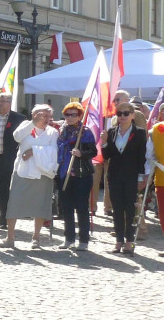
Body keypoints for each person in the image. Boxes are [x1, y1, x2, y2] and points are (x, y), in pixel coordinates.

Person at [0, 104, 60, 250]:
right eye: (42, 115)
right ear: (34, 114)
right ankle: (10, 238)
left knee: (40, 206)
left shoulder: (53, 132)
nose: (45, 118)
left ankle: (36, 237)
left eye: (48, 116)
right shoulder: (26, 126)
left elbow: (53, 151)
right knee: (14, 204)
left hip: (42, 173)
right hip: (23, 171)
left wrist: (34, 151)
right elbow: (16, 137)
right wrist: (32, 123)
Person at [102, 99, 148, 254]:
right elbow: (107, 155)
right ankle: (118, 241)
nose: (122, 116)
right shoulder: (112, 132)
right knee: (117, 209)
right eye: (119, 113)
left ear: (132, 115)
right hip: (114, 175)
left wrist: (142, 177)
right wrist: (103, 143)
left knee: (130, 209)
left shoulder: (140, 133)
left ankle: (129, 241)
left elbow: (143, 157)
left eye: (125, 113)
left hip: (132, 176)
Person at [54, 102, 97, 251]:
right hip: (64, 174)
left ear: (79, 116)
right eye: (67, 114)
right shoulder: (61, 131)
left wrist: (81, 154)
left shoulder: (84, 132)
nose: (70, 117)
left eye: (73, 115)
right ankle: (69, 238)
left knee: (81, 207)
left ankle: (83, 240)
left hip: (81, 175)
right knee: (66, 207)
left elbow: (93, 152)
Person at [0, 92, 26, 230]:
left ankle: (3, 219)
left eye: (3, 101)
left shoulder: (19, 118)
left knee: (5, 192)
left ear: (9, 103)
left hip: (8, 160)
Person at [146, 117, 164, 246]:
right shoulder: (156, 131)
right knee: (163, 214)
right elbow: (149, 156)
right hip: (162, 179)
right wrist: (148, 174)